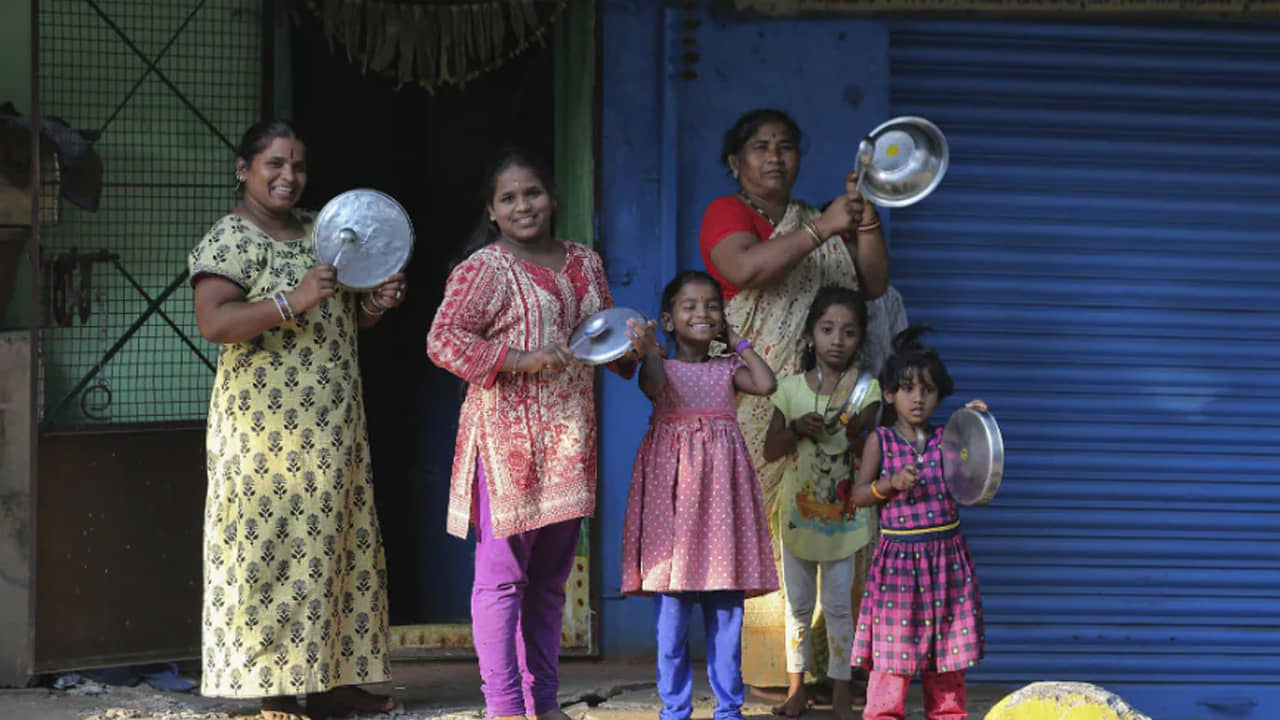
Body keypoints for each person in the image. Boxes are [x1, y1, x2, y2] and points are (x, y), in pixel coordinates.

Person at [188, 120, 406, 720]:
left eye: (299, 166)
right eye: (274, 164)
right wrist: (294, 299)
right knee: (271, 552)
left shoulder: (324, 230)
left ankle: (334, 681)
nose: (289, 176)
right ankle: (276, 688)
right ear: (244, 169)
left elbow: (343, 318)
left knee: (336, 545)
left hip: (332, 423)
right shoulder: (230, 239)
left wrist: (376, 304)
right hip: (264, 436)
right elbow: (215, 324)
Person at [426, 147, 641, 720]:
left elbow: (602, 347)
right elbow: (443, 340)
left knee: (549, 584)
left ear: (552, 197)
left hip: (569, 440)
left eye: (533, 193)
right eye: (509, 198)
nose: (524, 206)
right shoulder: (483, 269)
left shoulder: (584, 263)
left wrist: (632, 349)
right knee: (502, 582)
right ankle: (503, 708)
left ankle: (543, 704)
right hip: (505, 444)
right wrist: (520, 359)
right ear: (492, 211)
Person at [698, 108, 889, 696]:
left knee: (840, 525)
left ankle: (839, 667)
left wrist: (867, 224)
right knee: (769, 535)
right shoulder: (727, 214)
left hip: (829, 401)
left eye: (785, 146)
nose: (774, 156)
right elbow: (745, 268)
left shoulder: (820, 217)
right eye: (760, 146)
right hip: (757, 405)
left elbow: (873, 284)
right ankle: (772, 671)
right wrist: (825, 229)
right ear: (736, 161)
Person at [620, 270, 778, 720]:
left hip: (721, 500)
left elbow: (766, 385)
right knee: (671, 615)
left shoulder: (729, 368)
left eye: (712, 305)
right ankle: (675, 708)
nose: (703, 313)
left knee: (726, 613)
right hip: (673, 499)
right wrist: (649, 350)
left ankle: (729, 708)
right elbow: (651, 386)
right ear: (668, 320)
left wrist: (740, 342)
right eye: (690, 306)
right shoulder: (662, 366)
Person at [848, 327, 987, 720]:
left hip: (946, 562)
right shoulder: (881, 441)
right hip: (899, 565)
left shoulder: (948, 439)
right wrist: (889, 485)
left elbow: (978, 469)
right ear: (889, 394)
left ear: (939, 395)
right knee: (893, 658)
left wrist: (977, 423)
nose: (918, 398)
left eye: (927, 389)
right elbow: (858, 494)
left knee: (946, 657)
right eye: (907, 388)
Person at [761, 286, 882, 720]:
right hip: (796, 515)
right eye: (828, 329)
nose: (837, 339)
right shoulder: (789, 389)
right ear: (811, 334)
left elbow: (867, 442)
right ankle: (796, 689)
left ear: (859, 340)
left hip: (844, 517)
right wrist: (796, 428)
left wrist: (853, 430)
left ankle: (841, 692)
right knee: (796, 605)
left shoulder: (866, 392)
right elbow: (771, 449)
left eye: (848, 332)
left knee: (836, 604)